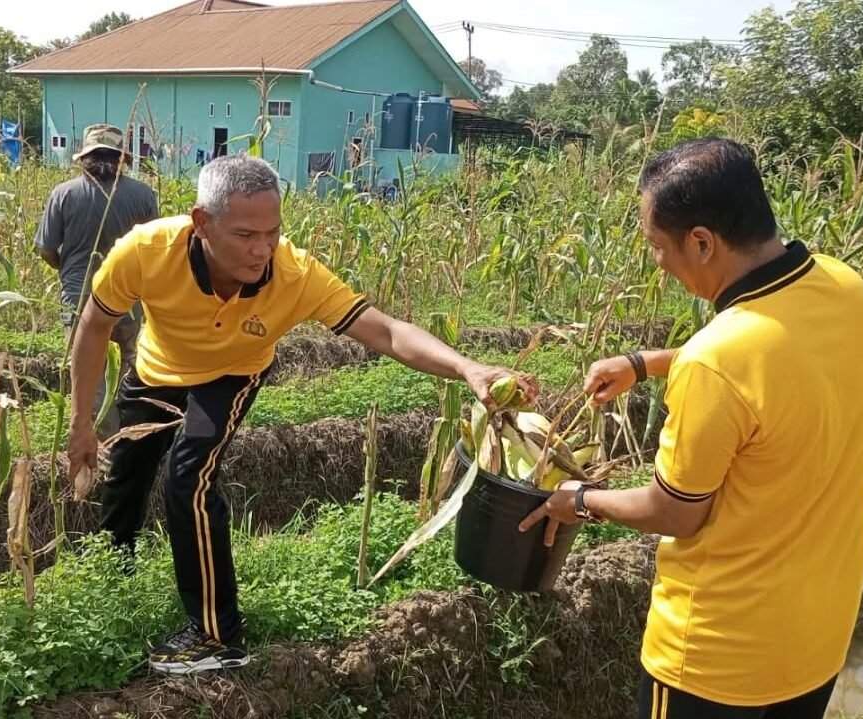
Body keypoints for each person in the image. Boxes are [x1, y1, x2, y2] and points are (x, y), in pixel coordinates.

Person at [66, 153, 534, 676]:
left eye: (273, 231)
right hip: (157, 367)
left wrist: (467, 367)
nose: (262, 248)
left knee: (188, 477)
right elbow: (93, 326)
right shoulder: (145, 251)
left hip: (232, 374)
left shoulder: (294, 273)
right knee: (126, 473)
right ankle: (116, 573)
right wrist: (82, 421)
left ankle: (218, 636)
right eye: (245, 235)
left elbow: (387, 332)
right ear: (202, 223)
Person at [519, 138, 863, 719]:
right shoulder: (843, 287)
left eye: (659, 245)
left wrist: (580, 498)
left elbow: (676, 512)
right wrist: (648, 361)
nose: (658, 263)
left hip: (714, 659)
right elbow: (772, 350)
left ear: (705, 243)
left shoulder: (719, 361)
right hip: (816, 631)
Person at [35, 123, 158, 435]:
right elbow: (155, 250)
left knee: (91, 375)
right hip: (129, 300)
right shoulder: (143, 195)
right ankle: (137, 434)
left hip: (80, 299)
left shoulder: (63, 194)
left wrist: (67, 270)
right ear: (121, 159)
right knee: (132, 367)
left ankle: (108, 441)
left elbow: (46, 249)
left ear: (84, 159)